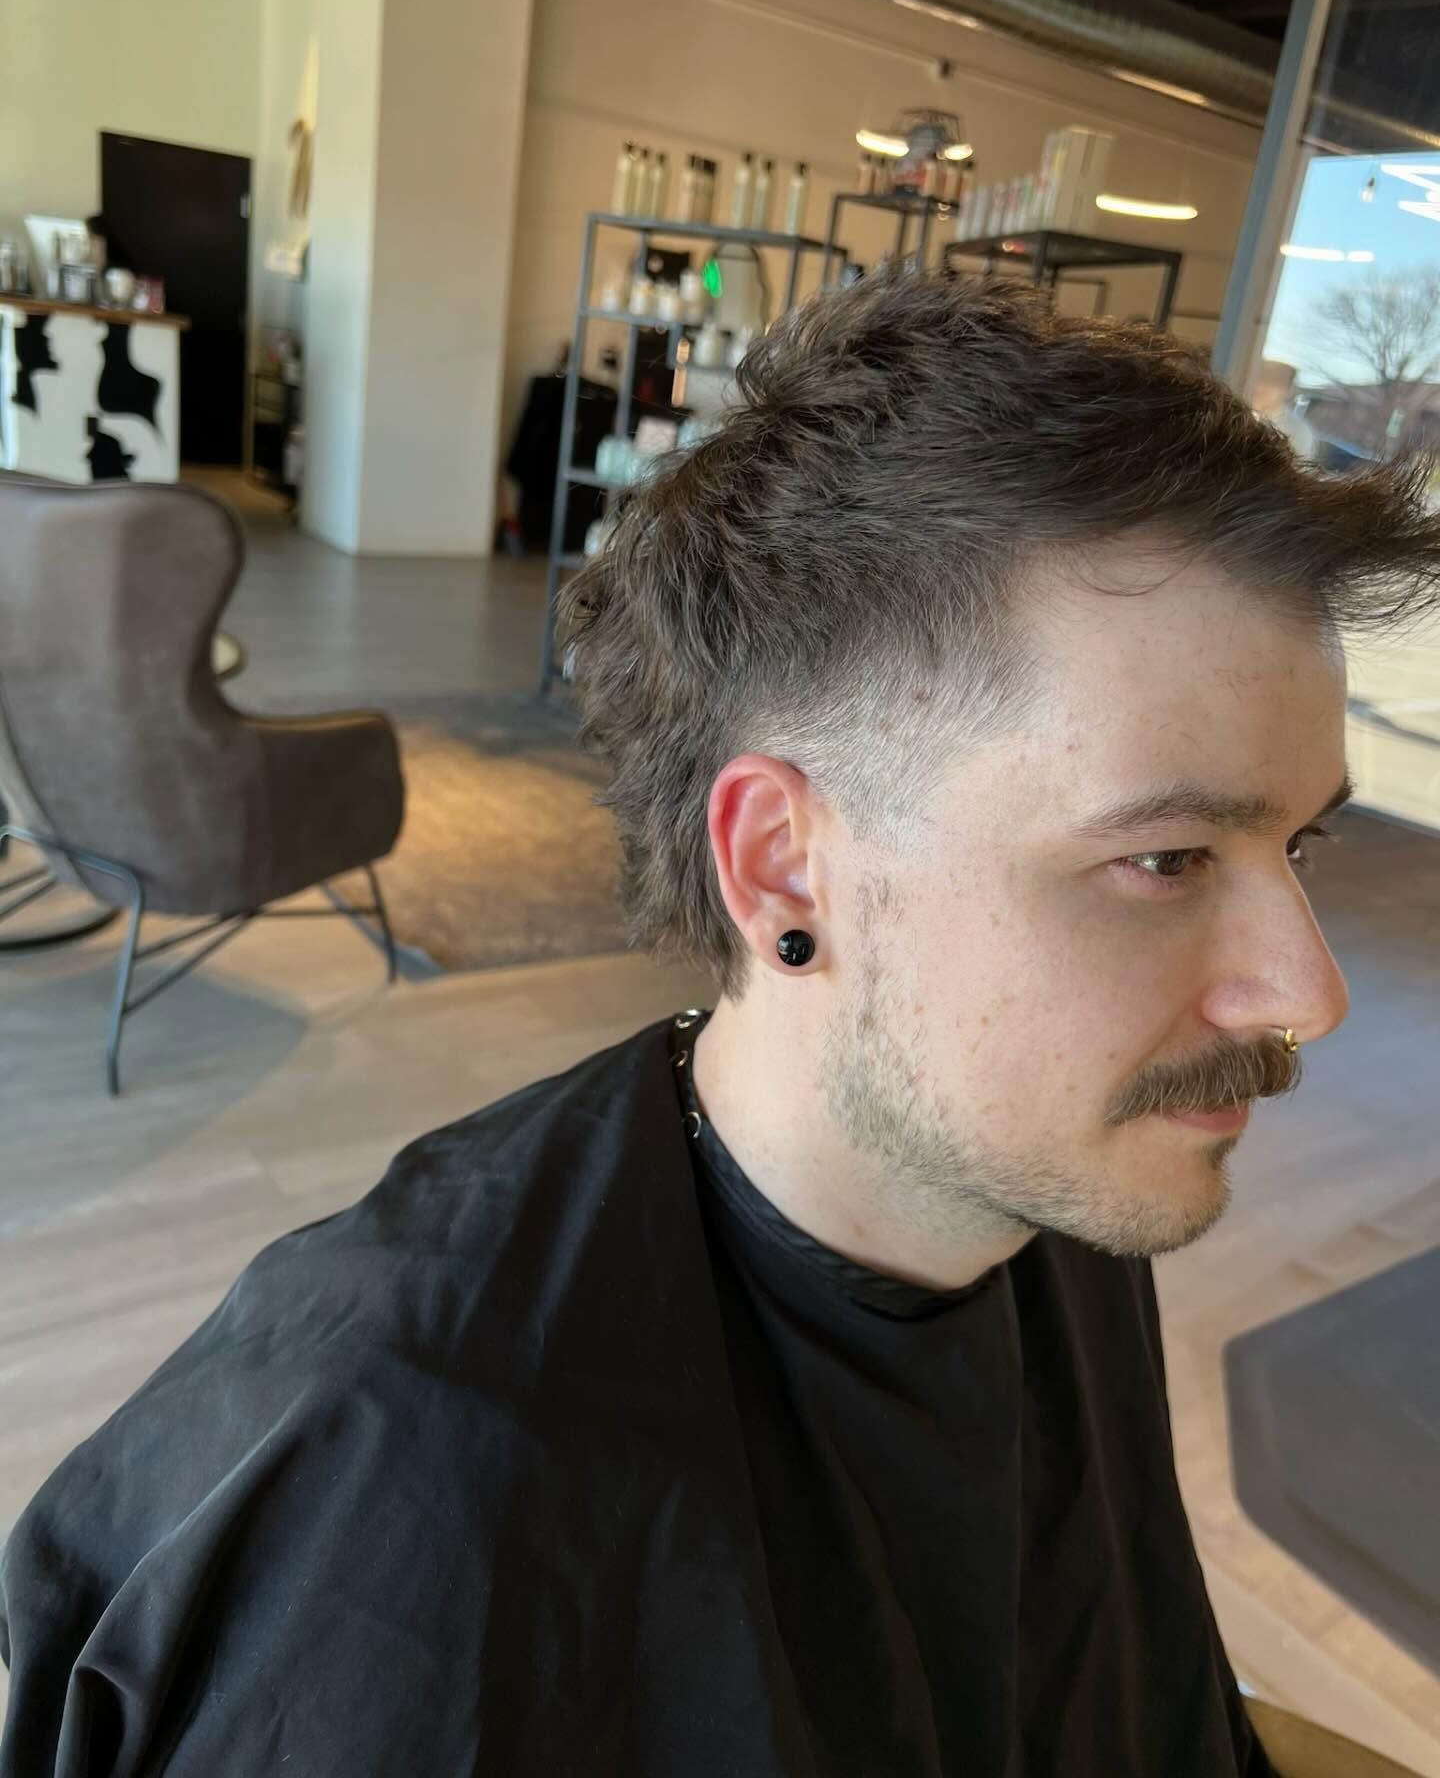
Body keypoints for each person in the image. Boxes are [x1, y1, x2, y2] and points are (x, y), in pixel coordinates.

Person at [4, 272, 1439, 1777]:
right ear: (780, 867)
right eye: (1167, 860)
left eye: (1301, 843)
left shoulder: (1056, 1196)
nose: (1308, 993)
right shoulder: (411, 1499)